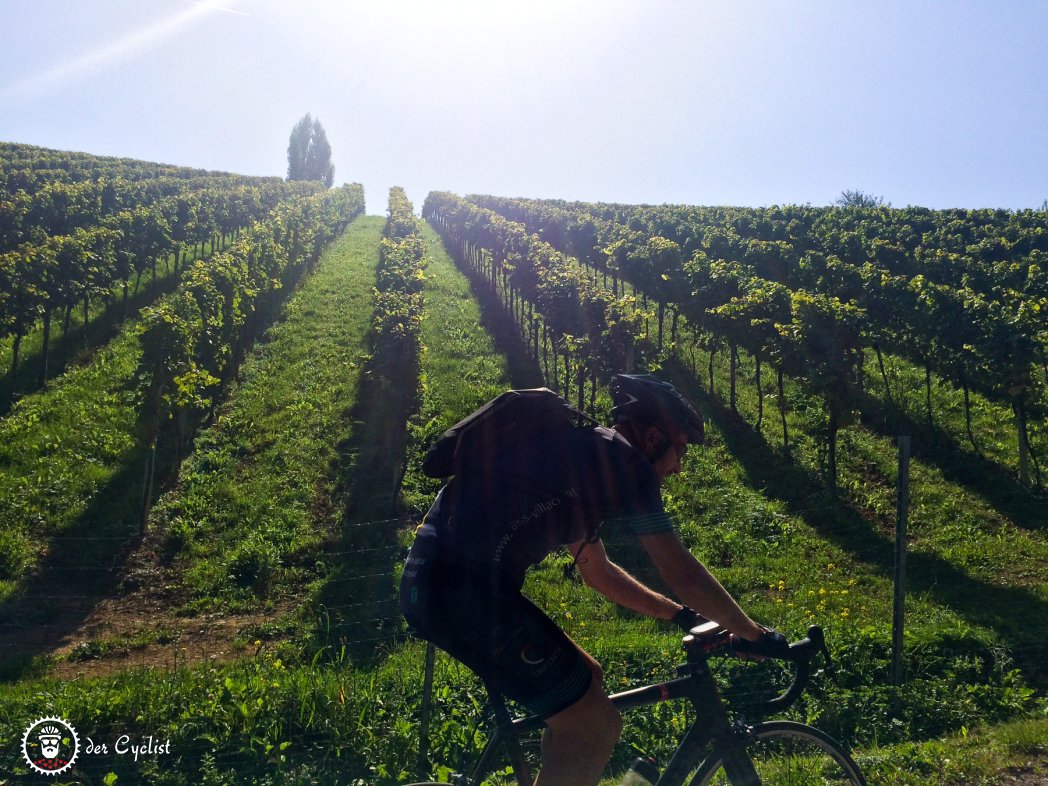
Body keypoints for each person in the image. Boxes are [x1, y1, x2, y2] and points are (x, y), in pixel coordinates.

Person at [400, 374, 784, 786]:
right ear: (654, 437)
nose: (678, 467)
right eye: (681, 450)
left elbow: (597, 573)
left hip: (445, 585)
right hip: (462, 590)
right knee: (595, 725)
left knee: (589, 683)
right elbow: (681, 570)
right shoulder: (625, 465)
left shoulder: (587, 463)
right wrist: (754, 634)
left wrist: (682, 617)